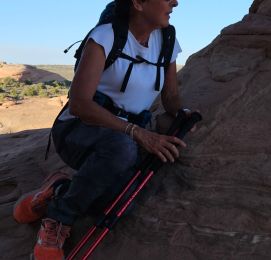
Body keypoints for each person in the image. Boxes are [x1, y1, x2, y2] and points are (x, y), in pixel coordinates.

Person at [12, 0, 194, 259]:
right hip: (79, 131)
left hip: (123, 139)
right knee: (121, 148)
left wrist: (184, 114)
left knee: (120, 203)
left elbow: (171, 95)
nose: (175, 2)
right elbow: (79, 104)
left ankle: (60, 189)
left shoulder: (167, 39)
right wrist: (137, 132)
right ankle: (58, 219)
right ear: (139, 3)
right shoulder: (106, 36)